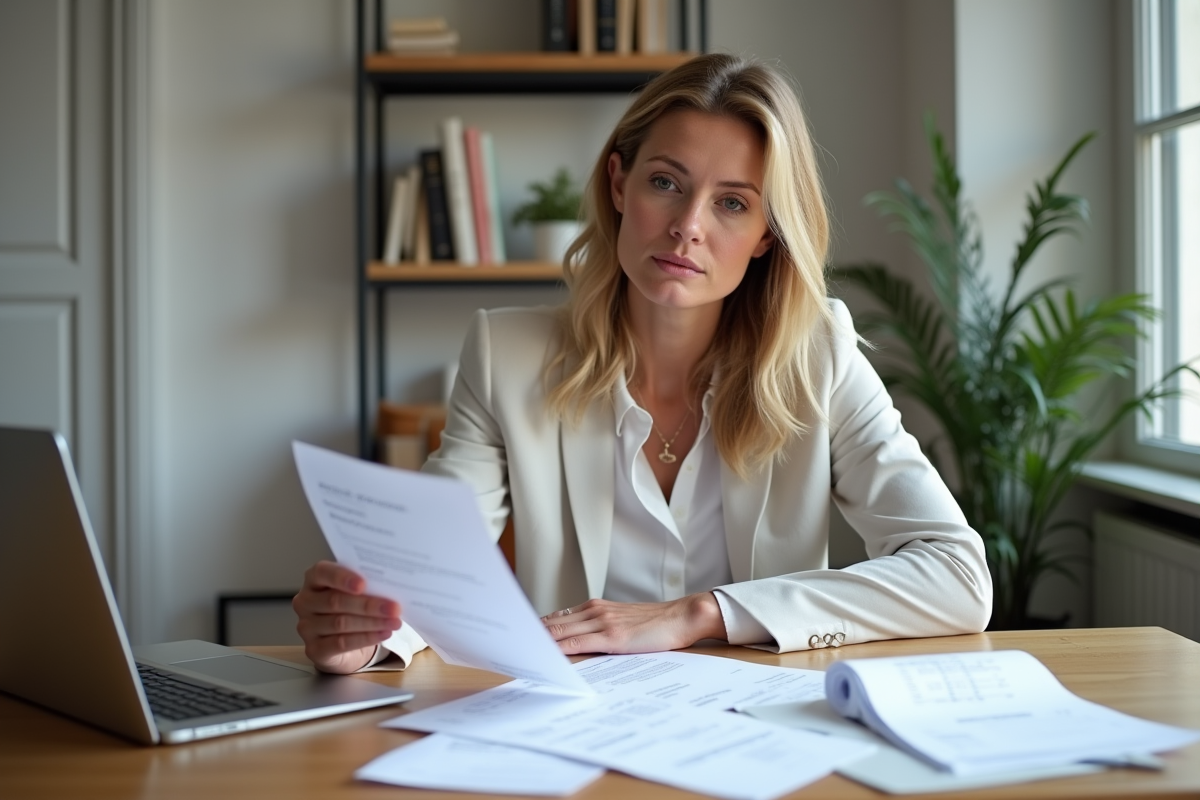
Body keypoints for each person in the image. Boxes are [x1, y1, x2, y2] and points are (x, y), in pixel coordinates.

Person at [293, 53, 992, 674]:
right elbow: (430, 569)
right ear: (619, 184)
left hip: (764, 728)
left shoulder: (820, 356)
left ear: (766, 236)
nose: (689, 225)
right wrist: (364, 636)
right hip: (573, 729)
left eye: (732, 203)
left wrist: (700, 613)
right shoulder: (505, 355)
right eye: (666, 182)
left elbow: (958, 575)